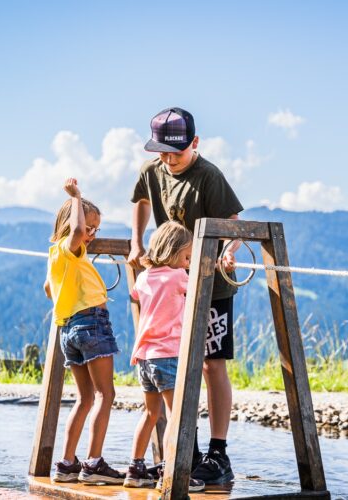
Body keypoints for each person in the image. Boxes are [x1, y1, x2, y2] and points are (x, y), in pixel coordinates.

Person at [127, 107, 243, 485]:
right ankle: (184, 453)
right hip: (173, 286)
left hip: (213, 288)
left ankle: (218, 453)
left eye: (175, 152)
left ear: (194, 143)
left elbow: (236, 225)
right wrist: (136, 242)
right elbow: (141, 201)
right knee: (174, 366)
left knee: (211, 365)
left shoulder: (208, 176)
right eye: (161, 152)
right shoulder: (152, 171)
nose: (168, 159)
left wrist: (229, 249)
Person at [46, 178, 125, 485]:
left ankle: (67, 464)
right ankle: (93, 464)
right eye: (88, 227)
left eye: (96, 229)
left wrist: (72, 292)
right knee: (107, 394)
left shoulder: (55, 256)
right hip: (91, 323)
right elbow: (76, 233)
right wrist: (77, 196)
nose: (90, 235)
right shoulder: (70, 247)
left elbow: (47, 289)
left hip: (68, 329)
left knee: (85, 398)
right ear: (70, 224)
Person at [123, 222, 204, 492]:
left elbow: (135, 294)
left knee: (150, 413)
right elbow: (199, 281)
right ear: (174, 252)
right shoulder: (178, 276)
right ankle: (170, 472)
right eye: (187, 256)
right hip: (167, 355)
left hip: (144, 357)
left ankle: (135, 469)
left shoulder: (145, 277)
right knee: (175, 415)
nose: (188, 261)